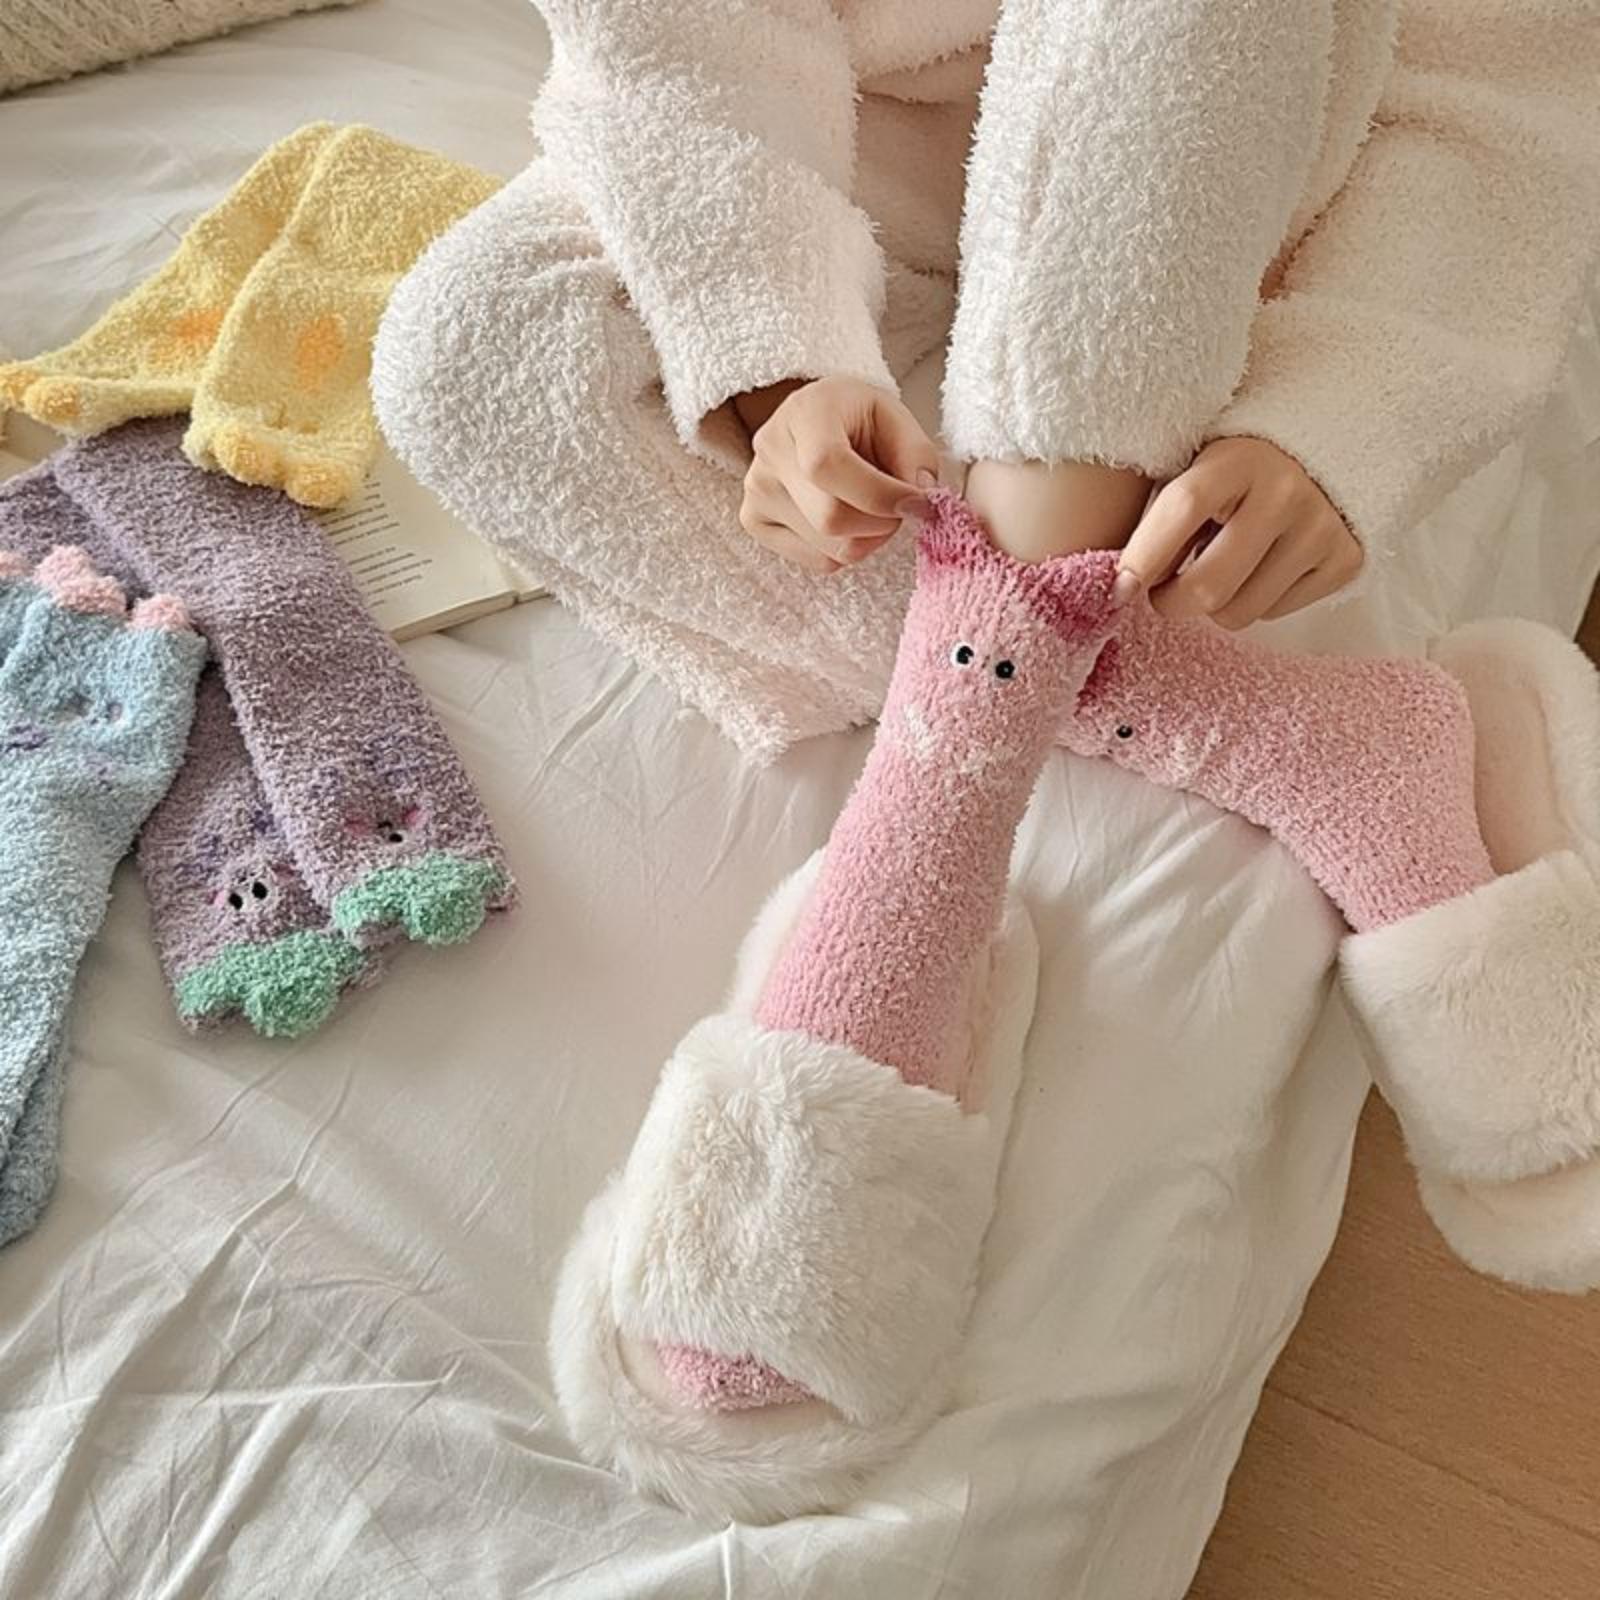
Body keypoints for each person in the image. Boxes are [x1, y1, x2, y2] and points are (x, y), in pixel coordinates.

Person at [372, 0, 1600, 759]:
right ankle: (1190, 720)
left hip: (1218, 155)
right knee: (467, 348)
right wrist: (776, 360)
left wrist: (1338, 410)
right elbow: (681, 39)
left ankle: (991, 687)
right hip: (862, 137)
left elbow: (1505, 89)